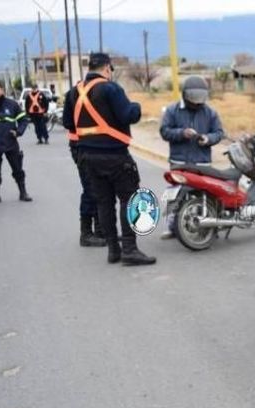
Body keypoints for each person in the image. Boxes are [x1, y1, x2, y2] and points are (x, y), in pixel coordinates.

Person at [62, 52, 155, 266]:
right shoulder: (111, 88)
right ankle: (130, 249)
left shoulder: (73, 92)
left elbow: (69, 123)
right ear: (107, 68)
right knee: (128, 200)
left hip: (87, 157)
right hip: (115, 156)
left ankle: (113, 249)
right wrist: (137, 108)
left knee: (104, 202)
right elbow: (128, 115)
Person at [159, 75, 225, 239]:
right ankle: (172, 224)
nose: (196, 103)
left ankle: (210, 224)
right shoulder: (172, 111)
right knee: (177, 193)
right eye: (193, 100)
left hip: (202, 162)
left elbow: (219, 132)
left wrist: (208, 139)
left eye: (199, 100)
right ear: (185, 95)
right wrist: (182, 133)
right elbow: (164, 131)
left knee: (208, 193)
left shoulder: (210, 113)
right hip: (179, 162)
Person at [65, 111, 106, 248]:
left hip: (95, 145)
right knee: (90, 190)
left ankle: (101, 230)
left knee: (100, 189)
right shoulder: (75, 94)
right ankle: (86, 234)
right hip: (81, 146)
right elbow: (68, 122)